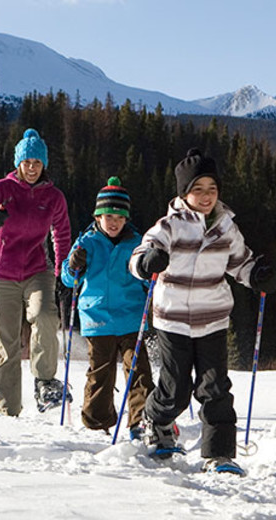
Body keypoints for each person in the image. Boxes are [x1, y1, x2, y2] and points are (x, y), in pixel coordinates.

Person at [128, 148, 276, 474]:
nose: (206, 196)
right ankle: (156, 419)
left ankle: (220, 454)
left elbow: (240, 262)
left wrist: (257, 275)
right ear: (184, 193)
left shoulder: (226, 227)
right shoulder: (169, 226)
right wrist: (146, 261)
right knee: (175, 391)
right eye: (198, 189)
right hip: (173, 321)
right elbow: (138, 256)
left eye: (212, 189)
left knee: (215, 389)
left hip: (212, 320)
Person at [0, 128, 71, 416]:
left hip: (39, 270)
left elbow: (61, 236)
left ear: (44, 164)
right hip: (1, 274)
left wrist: (62, 274)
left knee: (46, 316)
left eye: (37, 163)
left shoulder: (54, 197)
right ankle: (8, 411)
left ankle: (45, 381)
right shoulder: (2, 189)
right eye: (27, 163)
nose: (32, 168)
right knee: (7, 346)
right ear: (18, 164)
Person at [61, 177, 155, 437]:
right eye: (108, 216)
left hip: (130, 316)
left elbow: (149, 278)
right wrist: (73, 265)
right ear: (97, 216)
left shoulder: (137, 243)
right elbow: (68, 279)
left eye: (119, 217)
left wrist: (151, 271)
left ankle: (141, 420)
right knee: (101, 371)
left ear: (126, 219)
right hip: (97, 316)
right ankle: (96, 420)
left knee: (138, 369)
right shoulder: (87, 242)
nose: (113, 222)